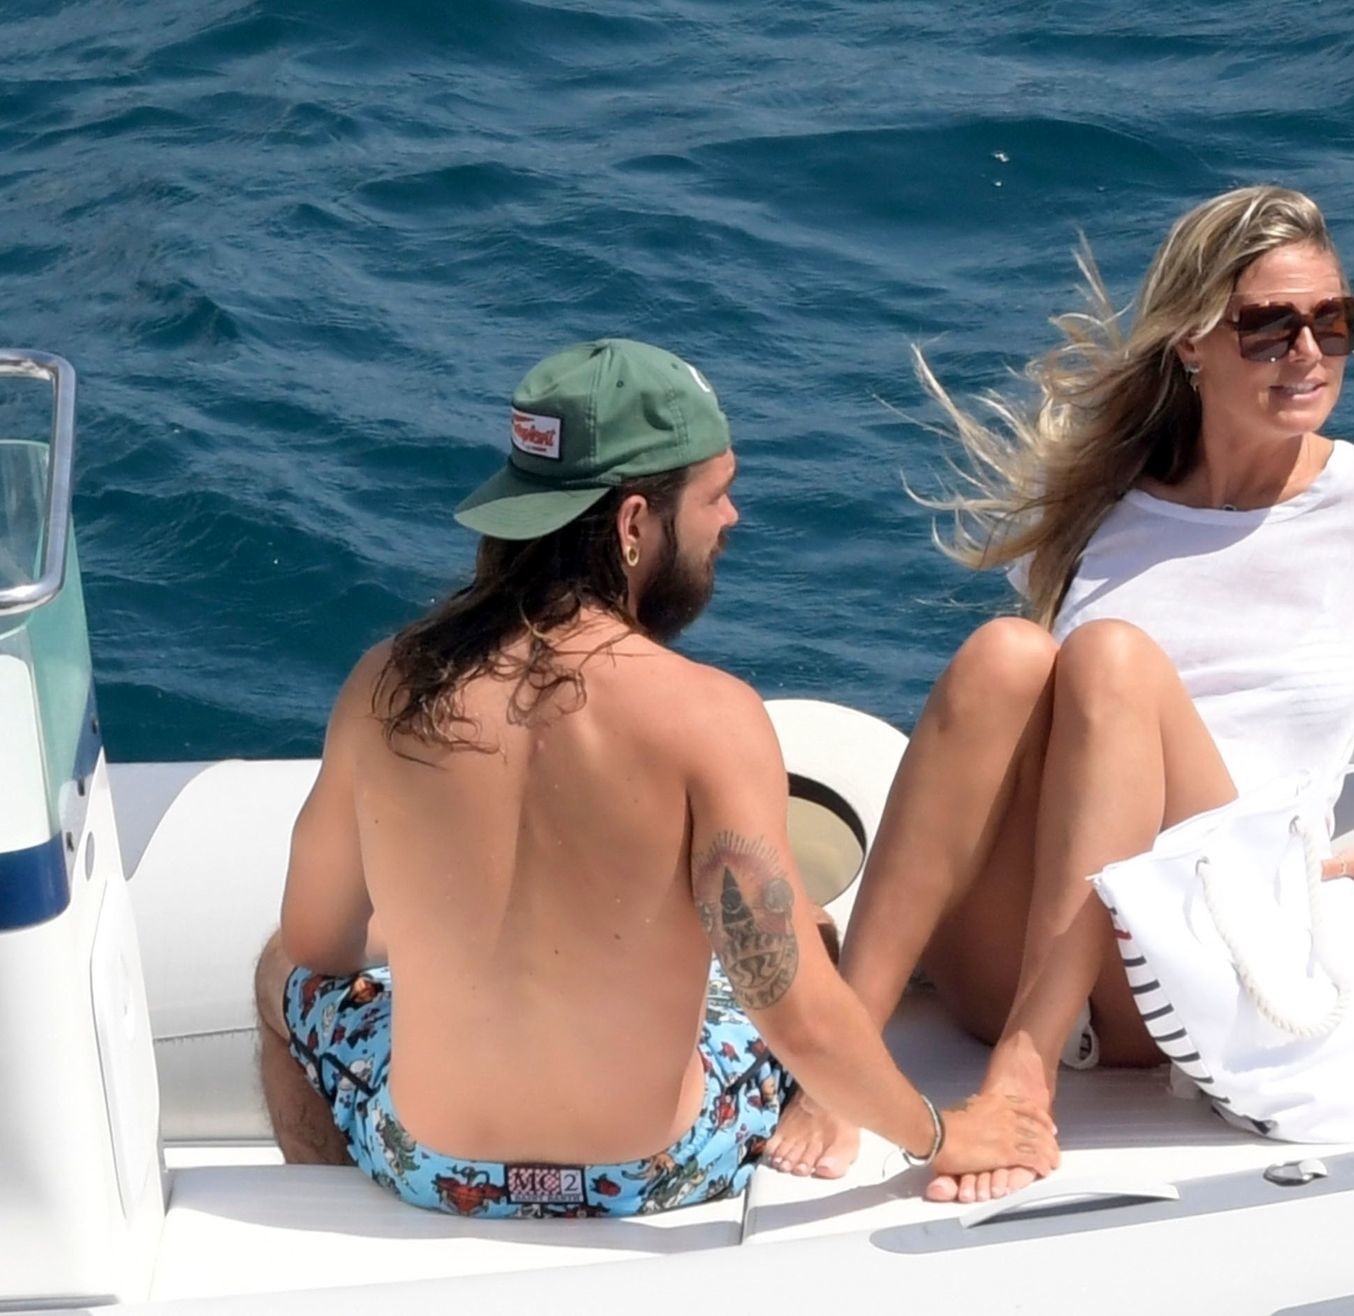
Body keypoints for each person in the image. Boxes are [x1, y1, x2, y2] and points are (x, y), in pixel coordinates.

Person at [763, 186, 1354, 1204]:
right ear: (1192, 342)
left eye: (1334, 321)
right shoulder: (1111, 510)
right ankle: (842, 1060)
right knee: (1004, 654)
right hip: (1025, 956)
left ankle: (1024, 1075)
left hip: (1200, 955)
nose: (1308, 352)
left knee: (1111, 658)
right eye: (1270, 326)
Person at [253, 338, 1058, 1218]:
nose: (731, 519)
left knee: (276, 972)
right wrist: (940, 1134)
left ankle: (328, 1213)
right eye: (715, 494)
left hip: (432, 1169)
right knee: (807, 937)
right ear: (634, 523)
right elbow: (794, 1012)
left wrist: (445, 929)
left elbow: (316, 941)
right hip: (650, 1169)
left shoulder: (387, 683)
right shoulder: (707, 716)